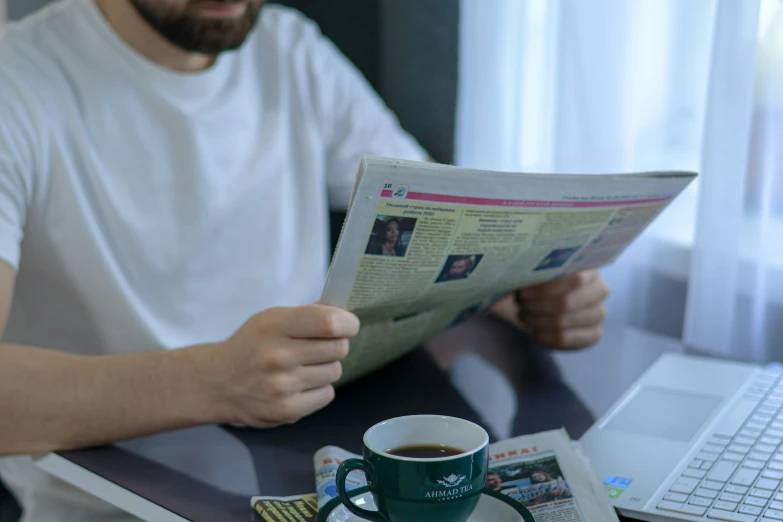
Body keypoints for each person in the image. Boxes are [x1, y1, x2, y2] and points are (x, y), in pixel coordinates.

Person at [0, 1, 610, 520]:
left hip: (302, 463)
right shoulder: (18, 84)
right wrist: (213, 380)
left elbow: (442, 229)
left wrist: (530, 292)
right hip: (112, 498)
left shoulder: (289, 51)